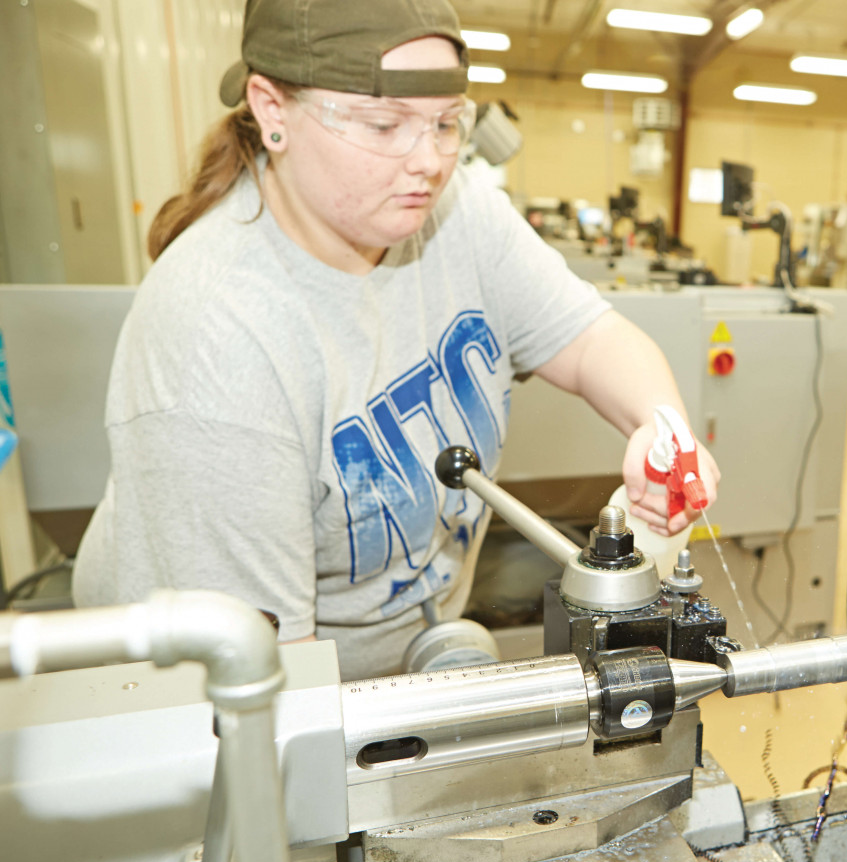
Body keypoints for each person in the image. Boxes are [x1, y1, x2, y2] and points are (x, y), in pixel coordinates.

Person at [72, 0, 719, 680]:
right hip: (230, 711)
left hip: (403, 669)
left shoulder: (457, 213)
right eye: (384, 126)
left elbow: (590, 340)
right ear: (271, 110)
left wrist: (662, 425)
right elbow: (266, 693)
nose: (431, 162)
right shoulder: (216, 334)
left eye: (446, 123)